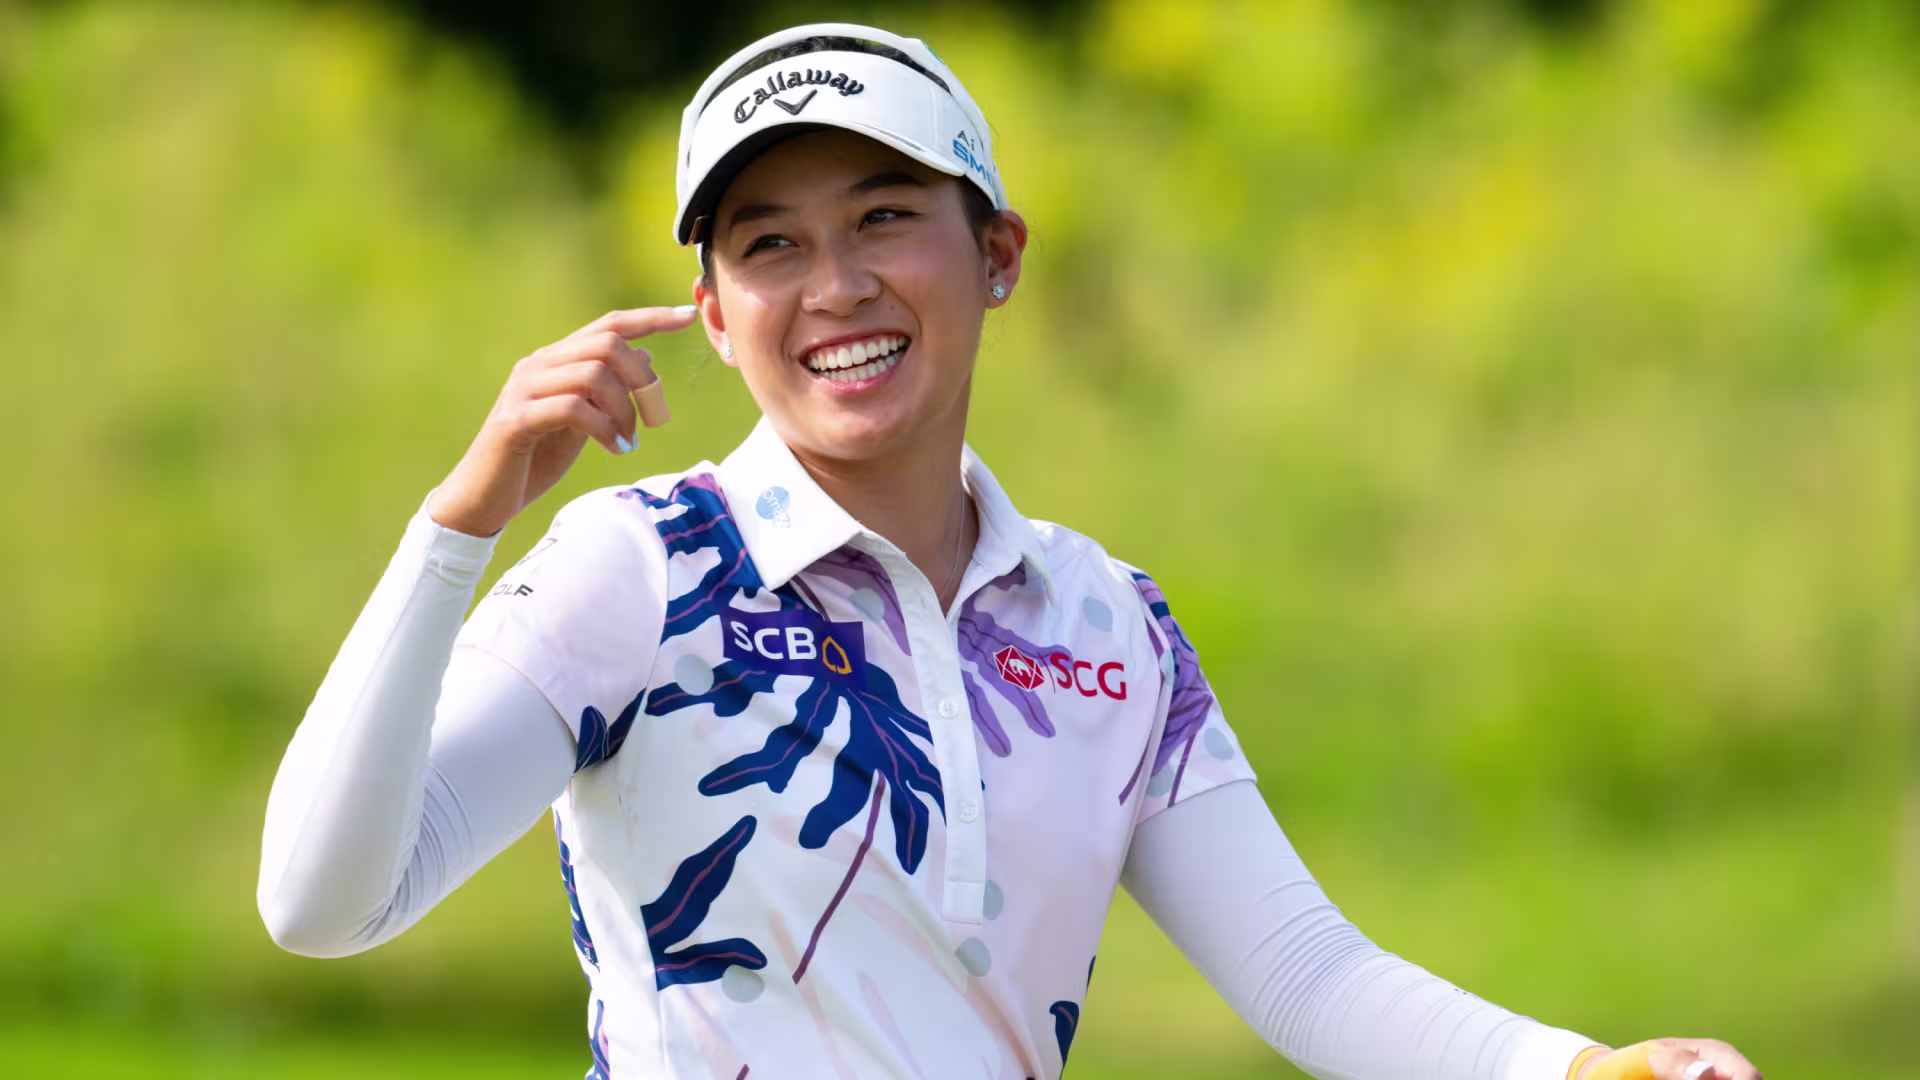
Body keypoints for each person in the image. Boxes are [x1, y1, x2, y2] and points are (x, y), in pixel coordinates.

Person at [256, 22, 1762, 1080]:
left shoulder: (1106, 621)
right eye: (769, 242)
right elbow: (324, 904)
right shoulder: (638, 566)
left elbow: (1306, 975)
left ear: (997, 255)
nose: (835, 285)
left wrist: (1586, 1069)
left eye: (885, 216)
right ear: (714, 314)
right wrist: (459, 526)